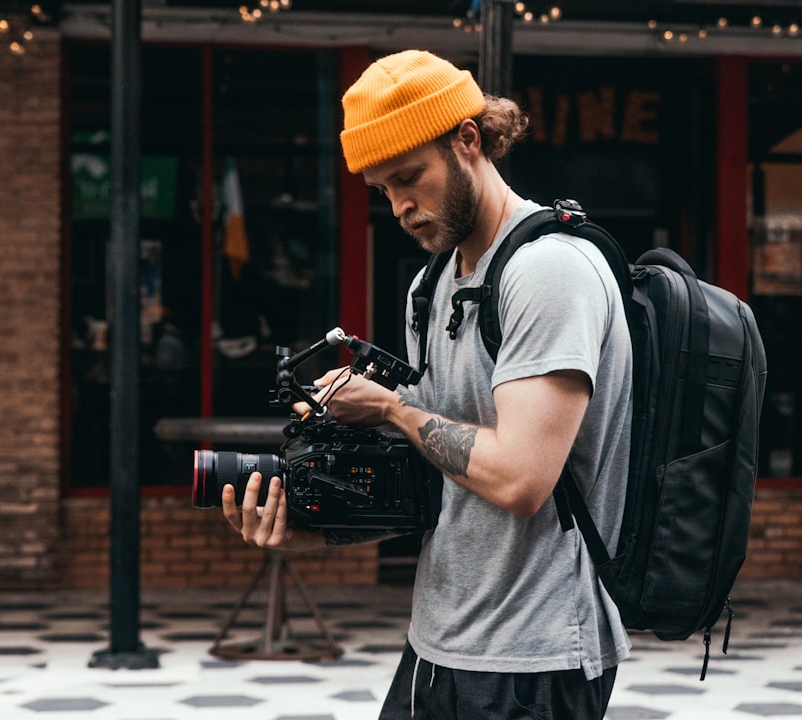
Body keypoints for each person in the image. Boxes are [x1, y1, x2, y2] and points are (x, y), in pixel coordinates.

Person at [222, 49, 634, 719]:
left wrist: (390, 408)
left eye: (410, 177)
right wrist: (316, 528)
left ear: (467, 139)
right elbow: (433, 492)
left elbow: (521, 481)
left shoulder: (550, 271)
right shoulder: (431, 286)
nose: (400, 206)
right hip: (438, 643)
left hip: (535, 658)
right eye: (383, 188)